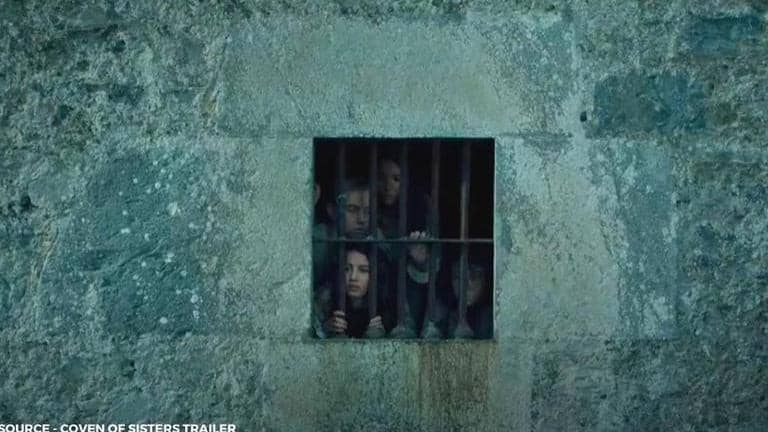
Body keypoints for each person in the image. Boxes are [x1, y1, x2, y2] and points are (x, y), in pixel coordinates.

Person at [377, 156, 440, 337]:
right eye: (381, 178)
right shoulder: (366, 210)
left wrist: (421, 261)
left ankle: (406, 326)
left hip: (411, 301)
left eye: (396, 179)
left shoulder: (421, 210)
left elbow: (436, 267)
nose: (388, 186)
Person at [313, 244, 393, 338]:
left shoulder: (387, 303)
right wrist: (325, 329)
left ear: (377, 274)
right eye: (347, 269)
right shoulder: (325, 299)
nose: (353, 277)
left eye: (363, 270)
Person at [435, 261, 492, 339]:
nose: (468, 284)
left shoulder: (493, 316)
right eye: (458, 276)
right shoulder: (443, 310)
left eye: (475, 275)